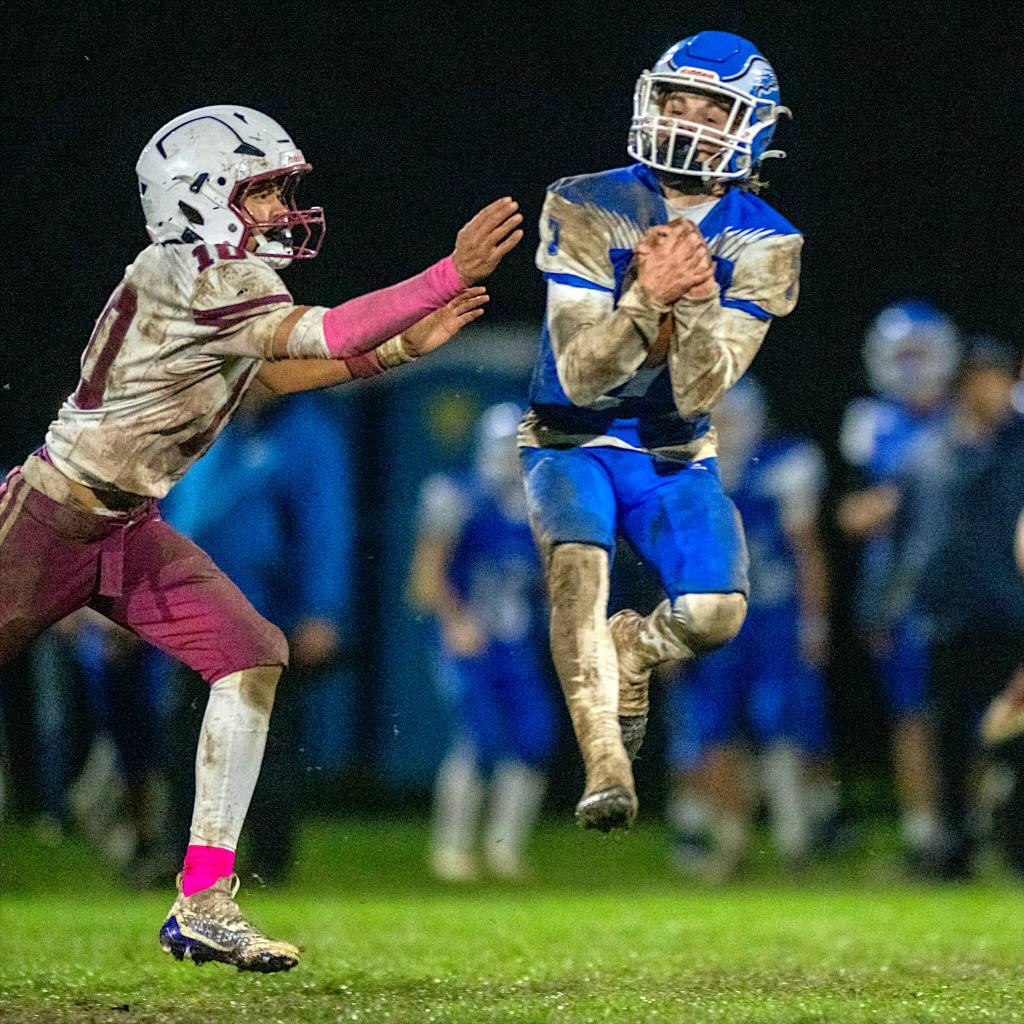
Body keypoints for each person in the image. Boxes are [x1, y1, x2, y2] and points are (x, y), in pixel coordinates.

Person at [0, 104, 522, 972]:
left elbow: (271, 370)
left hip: (126, 525)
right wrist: (443, 276)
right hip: (52, 516)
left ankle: (203, 898)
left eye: (280, 191)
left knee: (251, 653)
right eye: (263, 191)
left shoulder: (206, 274)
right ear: (199, 197)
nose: (282, 210)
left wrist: (395, 356)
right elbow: (328, 332)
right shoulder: (205, 274)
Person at [518, 31, 802, 831]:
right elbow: (581, 377)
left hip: (672, 451)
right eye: (674, 100)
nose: (684, 117)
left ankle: (634, 651)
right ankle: (607, 767)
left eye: (709, 107)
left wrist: (692, 300)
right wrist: (647, 297)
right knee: (577, 573)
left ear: (749, 125)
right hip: (570, 440)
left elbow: (703, 385)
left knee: (717, 613)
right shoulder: (585, 198)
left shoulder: (767, 240)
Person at [159, 385, 355, 888]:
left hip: (268, 616)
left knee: (266, 743)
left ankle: (269, 861)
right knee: (186, 739)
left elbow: (325, 524)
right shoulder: (205, 421)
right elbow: (174, 513)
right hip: (195, 611)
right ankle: (180, 858)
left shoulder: (309, 434)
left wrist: (322, 609)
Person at [666, 377, 832, 878]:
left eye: (735, 417)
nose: (728, 428)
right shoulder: (692, 471)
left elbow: (807, 552)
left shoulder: (785, 466)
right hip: (715, 621)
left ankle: (792, 836)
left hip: (774, 619)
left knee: (781, 723)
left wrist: (815, 620)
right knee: (713, 728)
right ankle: (730, 839)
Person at [409, 403, 556, 881]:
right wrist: (456, 623)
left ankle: (504, 849)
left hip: (514, 640)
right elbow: (424, 577)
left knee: (533, 738)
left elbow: (546, 583)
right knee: (480, 739)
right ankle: (451, 849)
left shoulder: (536, 509)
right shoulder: (458, 496)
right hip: (469, 638)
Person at [837, 300, 959, 869]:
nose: (911, 367)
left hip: (967, 585)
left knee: (973, 711)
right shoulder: (873, 421)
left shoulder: (969, 415)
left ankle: (971, 825)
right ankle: (922, 831)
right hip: (898, 590)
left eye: (921, 354)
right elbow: (852, 514)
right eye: (902, 355)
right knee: (911, 714)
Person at [906, 339, 1024, 877]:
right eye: (978, 376)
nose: (988, 387)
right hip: (950, 616)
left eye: (996, 376)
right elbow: (913, 539)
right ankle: (953, 844)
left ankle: (1014, 842)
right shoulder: (930, 451)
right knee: (950, 736)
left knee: (1016, 736)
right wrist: (888, 604)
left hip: (1014, 615)